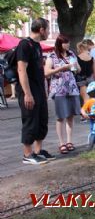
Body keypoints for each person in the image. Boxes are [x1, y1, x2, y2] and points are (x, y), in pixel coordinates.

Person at [17, 18, 55, 164]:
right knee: (30, 120)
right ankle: (27, 155)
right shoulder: (24, 45)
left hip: (39, 90)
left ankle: (38, 151)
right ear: (41, 30)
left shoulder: (37, 46)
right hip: (28, 90)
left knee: (41, 120)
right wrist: (27, 93)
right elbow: (21, 70)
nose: (49, 32)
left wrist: (44, 90)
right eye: (48, 29)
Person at [44, 34, 81, 154]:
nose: (68, 45)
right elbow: (47, 73)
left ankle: (69, 141)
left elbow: (78, 70)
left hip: (72, 88)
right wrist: (61, 68)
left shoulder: (71, 54)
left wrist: (75, 67)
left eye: (68, 43)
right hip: (59, 90)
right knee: (60, 117)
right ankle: (61, 143)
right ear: (60, 44)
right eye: (66, 43)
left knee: (70, 116)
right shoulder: (52, 56)